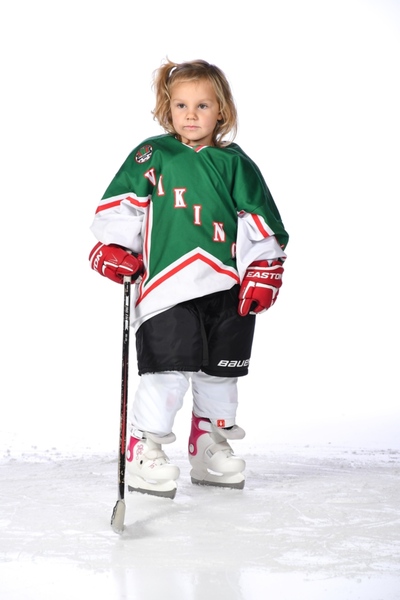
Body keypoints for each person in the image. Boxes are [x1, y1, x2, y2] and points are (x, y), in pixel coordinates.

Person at [89, 58, 289, 499]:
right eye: (181, 105)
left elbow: (258, 219)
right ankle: (145, 449)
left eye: (203, 105)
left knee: (220, 374)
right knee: (167, 370)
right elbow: (122, 206)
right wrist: (114, 247)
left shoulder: (235, 162)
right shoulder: (153, 154)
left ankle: (208, 444)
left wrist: (265, 267)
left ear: (222, 111)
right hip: (166, 285)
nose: (191, 114)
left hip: (226, 286)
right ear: (168, 108)